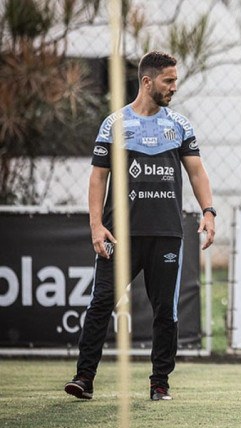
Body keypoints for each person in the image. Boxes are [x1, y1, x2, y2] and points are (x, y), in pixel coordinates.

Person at [64, 51, 216, 401]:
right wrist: (95, 225)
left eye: (175, 80)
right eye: (168, 81)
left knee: (166, 311)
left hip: (167, 235)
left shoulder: (179, 126)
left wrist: (209, 212)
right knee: (101, 304)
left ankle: (159, 384)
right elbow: (97, 178)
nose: (174, 87)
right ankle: (84, 378)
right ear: (147, 82)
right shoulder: (114, 124)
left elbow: (197, 171)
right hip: (119, 235)